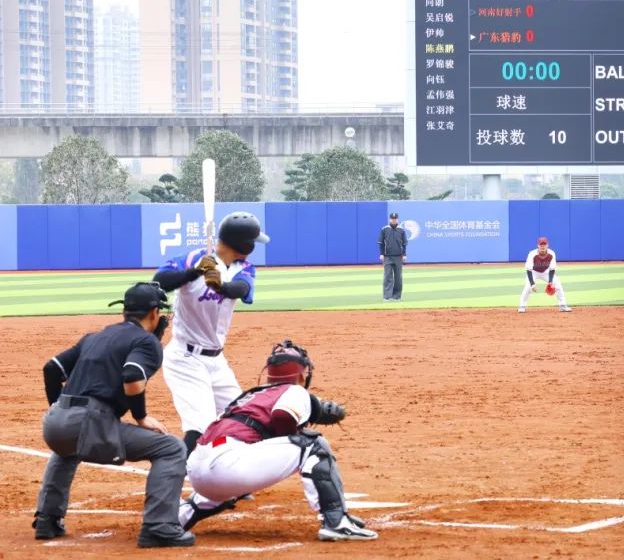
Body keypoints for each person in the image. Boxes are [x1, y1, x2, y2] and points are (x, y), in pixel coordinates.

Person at [33, 282, 194, 548]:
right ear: (154, 313)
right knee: (172, 448)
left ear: (124, 312)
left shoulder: (95, 337)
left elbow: (51, 369)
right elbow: (131, 377)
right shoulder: (146, 342)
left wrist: (57, 406)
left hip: (55, 423)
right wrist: (141, 417)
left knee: (67, 448)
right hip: (88, 423)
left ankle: (47, 520)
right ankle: (159, 527)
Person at [178, 340, 377, 542]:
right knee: (312, 444)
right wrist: (295, 432)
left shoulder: (251, 395)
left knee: (231, 466)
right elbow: (282, 416)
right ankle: (337, 522)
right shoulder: (295, 391)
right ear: (301, 375)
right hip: (229, 467)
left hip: (199, 470)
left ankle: (180, 516)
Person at [152, 211, 270, 455]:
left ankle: (230, 476)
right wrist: (194, 272)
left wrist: (220, 285)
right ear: (243, 244)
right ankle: (173, 481)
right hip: (186, 358)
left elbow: (241, 289)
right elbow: (159, 280)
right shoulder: (194, 259)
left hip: (216, 361)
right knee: (201, 428)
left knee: (242, 418)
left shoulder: (244, 268)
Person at [519, 236, 572, 313]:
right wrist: (532, 284)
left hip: (546, 272)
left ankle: (562, 306)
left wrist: (550, 282)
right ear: (538, 245)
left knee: (557, 284)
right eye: (541, 244)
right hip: (533, 272)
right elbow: (528, 270)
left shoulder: (551, 253)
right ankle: (522, 306)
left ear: (547, 245)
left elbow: (552, 269)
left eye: (544, 244)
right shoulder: (532, 254)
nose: (543, 246)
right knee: (528, 286)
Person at [378, 212, 408, 301]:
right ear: (389, 219)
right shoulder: (385, 229)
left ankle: (397, 296)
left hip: (398, 256)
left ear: (397, 219)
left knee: (398, 277)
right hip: (387, 256)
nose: (394, 220)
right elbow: (381, 243)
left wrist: (405, 254)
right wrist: (381, 254)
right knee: (387, 276)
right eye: (392, 218)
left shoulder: (401, 230)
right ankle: (387, 296)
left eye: (395, 219)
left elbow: (404, 243)